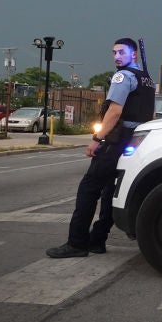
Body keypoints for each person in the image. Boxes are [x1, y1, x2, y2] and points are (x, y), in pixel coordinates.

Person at [47, 37, 155, 258]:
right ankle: (98, 240)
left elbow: (114, 112)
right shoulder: (148, 80)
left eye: (121, 52)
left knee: (88, 188)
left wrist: (97, 139)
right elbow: (151, 115)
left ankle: (76, 243)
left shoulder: (122, 76)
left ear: (133, 54)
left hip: (117, 140)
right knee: (109, 192)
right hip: (136, 140)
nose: (117, 57)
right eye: (114, 52)